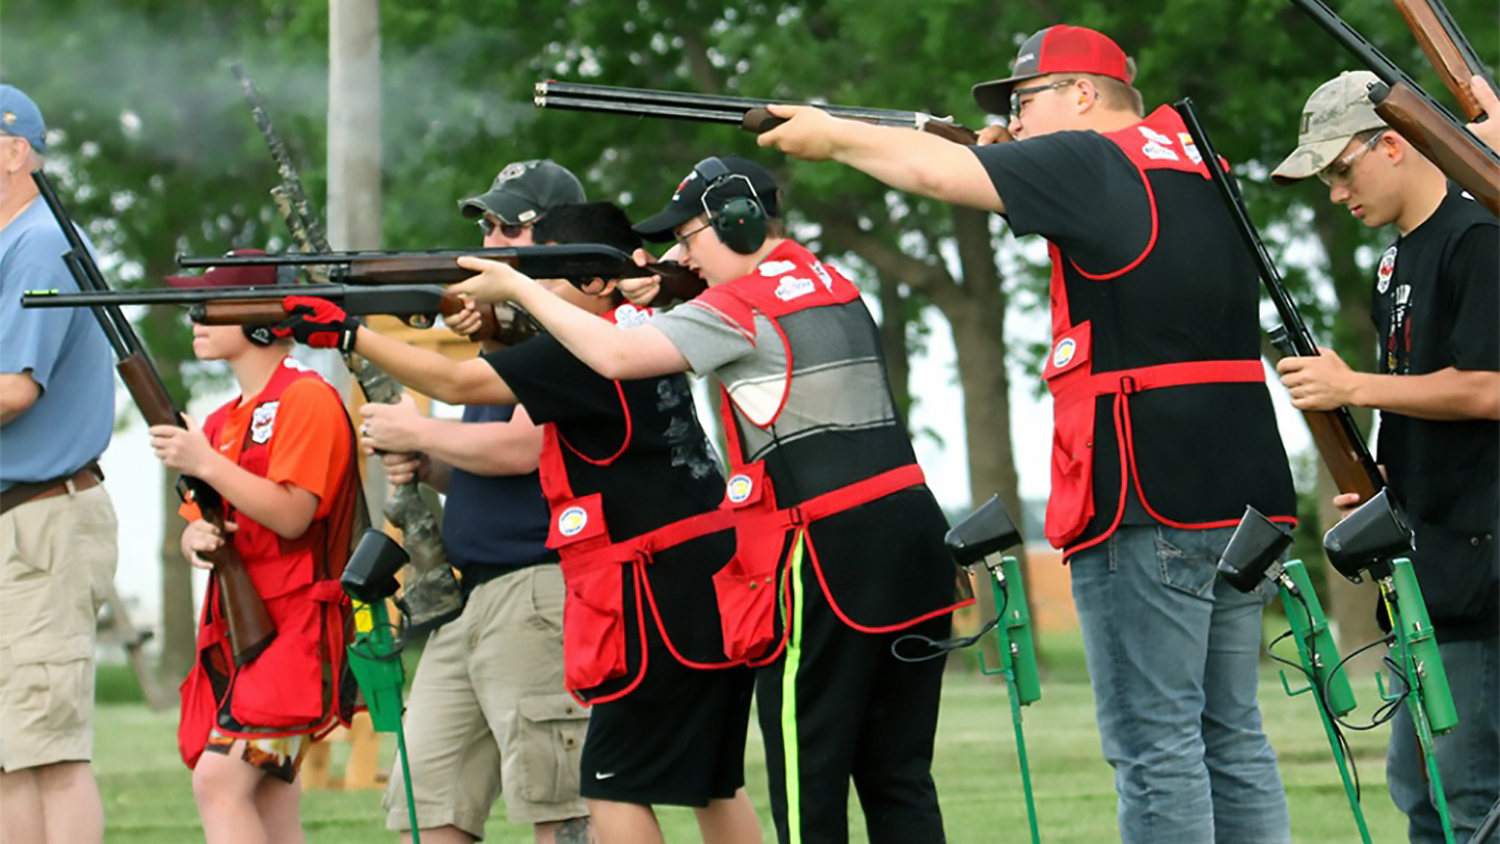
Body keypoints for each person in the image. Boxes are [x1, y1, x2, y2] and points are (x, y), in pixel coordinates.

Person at [758, 25, 1300, 843]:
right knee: (1230, 737)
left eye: (1025, 102)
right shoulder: (1194, 165)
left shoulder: (1093, 159)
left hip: (1145, 491)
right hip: (1239, 486)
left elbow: (931, 169)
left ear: (1083, 95)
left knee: (1155, 748)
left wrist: (830, 134)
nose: (1014, 124)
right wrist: (1004, 152)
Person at [448, 157, 972, 844]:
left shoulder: (737, 304)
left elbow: (614, 355)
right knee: (899, 777)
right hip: (915, 537)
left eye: (690, 234)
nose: (681, 252)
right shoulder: (833, 281)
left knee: (805, 777)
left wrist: (521, 286)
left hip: (825, 554)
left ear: (739, 222)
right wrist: (654, 288)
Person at [276, 201, 763, 844]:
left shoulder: (584, 351)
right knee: (713, 784)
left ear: (594, 280)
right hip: (708, 575)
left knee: (610, 785)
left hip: (655, 590)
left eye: (544, 274)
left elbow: (453, 382)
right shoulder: (643, 331)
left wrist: (350, 334)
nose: (534, 292)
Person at [1272, 70, 1499, 844]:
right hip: (1424, 565)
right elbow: (1421, 394)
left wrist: (1350, 384)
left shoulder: (1479, 239)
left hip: (1482, 572)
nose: (1336, 193)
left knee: (1475, 799)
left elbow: (1490, 388)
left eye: (1342, 170)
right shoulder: (1395, 263)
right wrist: (1384, 487)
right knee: (1423, 796)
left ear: (1394, 143)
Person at [364, 158, 592, 844]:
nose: (489, 242)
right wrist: (433, 462)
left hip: (539, 590)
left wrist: (414, 428)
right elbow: (501, 468)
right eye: (488, 226)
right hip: (476, 596)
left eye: (506, 227)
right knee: (424, 807)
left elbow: (525, 450)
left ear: (556, 239)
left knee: (559, 811)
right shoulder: (514, 337)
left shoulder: (576, 330)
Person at [148, 258, 362, 844]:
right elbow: (204, 522)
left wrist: (204, 463)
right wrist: (198, 537)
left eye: (213, 305)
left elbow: (293, 515)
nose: (197, 316)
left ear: (263, 320)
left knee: (220, 781)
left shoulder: (306, 399)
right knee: (265, 795)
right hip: (247, 627)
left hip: (295, 628)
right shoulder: (220, 421)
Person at [0, 82, 118, 844]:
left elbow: (14, 389)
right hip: (28, 519)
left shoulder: (38, 241)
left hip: (44, 519)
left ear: (12, 152)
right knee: (16, 753)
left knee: (50, 753)